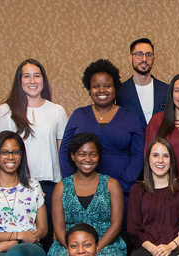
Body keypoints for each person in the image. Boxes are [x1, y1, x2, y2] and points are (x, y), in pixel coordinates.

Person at [59, 59, 145, 195]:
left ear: (115, 88)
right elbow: (65, 152)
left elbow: (138, 154)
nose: (102, 90)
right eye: (96, 86)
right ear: (89, 89)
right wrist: (72, 183)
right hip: (83, 191)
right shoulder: (79, 115)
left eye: (107, 85)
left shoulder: (131, 117)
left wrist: (123, 183)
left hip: (122, 190)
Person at [47, 132, 126, 256]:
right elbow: (59, 228)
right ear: (73, 156)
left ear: (99, 156)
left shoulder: (111, 185)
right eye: (82, 154)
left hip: (105, 245)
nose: (88, 159)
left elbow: (116, 225)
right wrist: (74, 249)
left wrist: (95, 249)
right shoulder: (62, 187)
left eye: (93, 154)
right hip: (69, 246)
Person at [0, 59, 68, 209]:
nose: (32, 81)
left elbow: (63, 152)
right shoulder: (5, 111)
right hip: (15, 183)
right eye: (26, 76)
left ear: (43, 80)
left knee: (46, 232)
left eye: (37, 76)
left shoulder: (57, 111)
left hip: (49, 184)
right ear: (19, 80)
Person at [117, 38, 169, 126]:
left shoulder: (166, 90)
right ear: (130, 58)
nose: (144, 59)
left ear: (153, 59)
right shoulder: (120, 91)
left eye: (148, 55)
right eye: (139, 54)